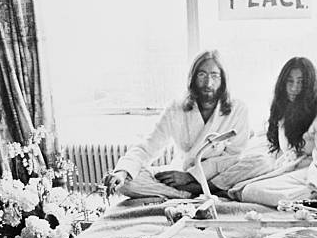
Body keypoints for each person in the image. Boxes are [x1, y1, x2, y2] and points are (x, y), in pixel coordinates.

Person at [103, 50, 249, 198]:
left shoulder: (238, 109)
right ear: (192, 78)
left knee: (256, 163)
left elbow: (234, 156)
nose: (208, 83)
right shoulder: (176, 107)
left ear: (223, 79)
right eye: (202, 75)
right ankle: (181, 194)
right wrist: (122, 172)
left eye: (214, 75)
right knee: (126, 183)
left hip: (216, 176)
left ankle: (195, 190)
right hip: (180, 175)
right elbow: (148, 146)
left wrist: (191, 176)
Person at [225, 57, 317, 207]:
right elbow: (282, 147)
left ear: (309, 85)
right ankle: (306, 199)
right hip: (297, 167)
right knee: (243, 188)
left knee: (250, 191)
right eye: (290, 81)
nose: (294, 88)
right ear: (283, 83)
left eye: (301, 82)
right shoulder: (284, 106)